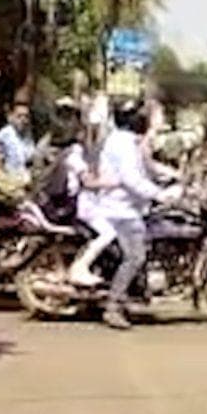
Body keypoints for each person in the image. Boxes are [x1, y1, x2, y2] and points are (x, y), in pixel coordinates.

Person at [75, 100, 171, 331]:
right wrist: (160, 195)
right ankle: (113, 306)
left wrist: (172, 178)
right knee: (136, 257)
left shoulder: (127, 141)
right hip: (119, 210)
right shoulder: (122, 143)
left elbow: (146, 169)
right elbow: (131, 179)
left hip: (127, 207)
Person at [0, 102, 35, 178]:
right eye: (19, 116)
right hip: (10, 178)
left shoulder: (28, 135)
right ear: (11, 117)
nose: (23, 119)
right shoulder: (3, 135)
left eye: (26, 116)